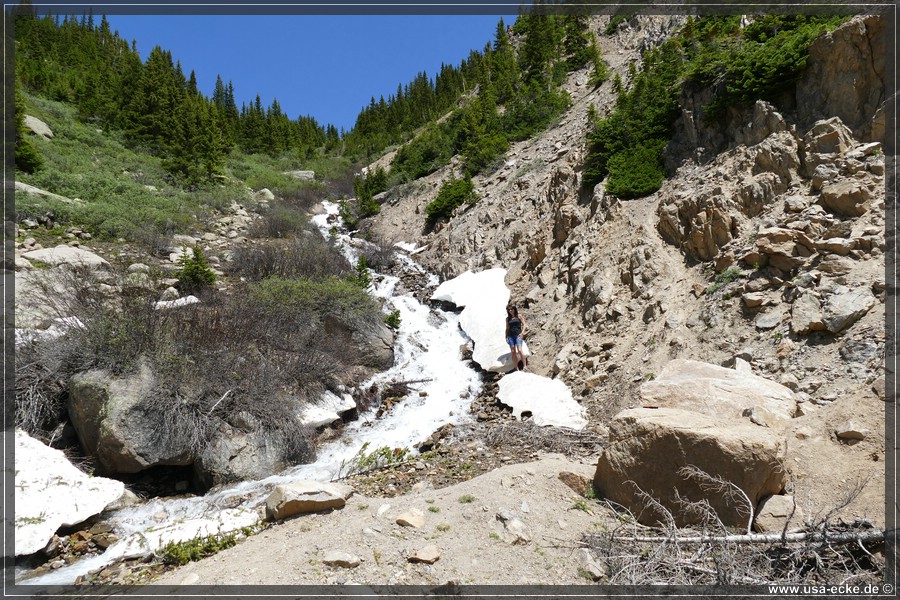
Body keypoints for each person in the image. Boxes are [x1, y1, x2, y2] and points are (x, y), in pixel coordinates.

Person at [505, 304, 527, 372]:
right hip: (510, 336)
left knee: (520, 350)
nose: (510, 311)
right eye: (509, 310)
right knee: (513, 351)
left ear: (514, 309)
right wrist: (506, 336)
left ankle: (525, 366)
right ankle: (516, 367)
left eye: (512, 309)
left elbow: (524, 324)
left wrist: (522, 333)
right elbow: (507, 328)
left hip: (518, 335)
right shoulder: (508, 319)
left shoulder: (519, 316)